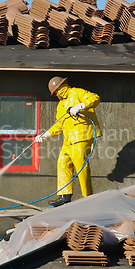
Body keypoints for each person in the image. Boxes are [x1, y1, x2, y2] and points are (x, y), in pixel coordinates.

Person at [35, 77, 102, 207]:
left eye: (56, 93)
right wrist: (45, 135)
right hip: (69, 139)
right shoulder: (61, 106)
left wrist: (80, 106)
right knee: (62, 162)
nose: (56, 95)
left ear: (59, 89)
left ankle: (87, 198)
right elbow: (58, 125)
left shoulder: (76, 93)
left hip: (82, 136)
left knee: (81, 166)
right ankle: (64, 196)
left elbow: (95, 98)